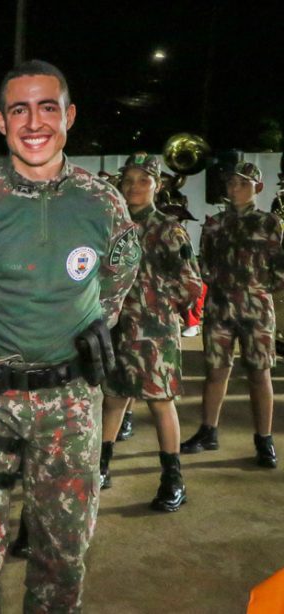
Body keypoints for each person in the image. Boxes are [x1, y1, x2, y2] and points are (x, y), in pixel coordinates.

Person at [0, 60, 139, 611]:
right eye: (19, 110)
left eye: (47, 108)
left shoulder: (103, 203)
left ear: (69, 116)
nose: (34, 122)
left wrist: (69, 332)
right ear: (1, 122)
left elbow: (116, 281)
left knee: (63, 553)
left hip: (71, 404)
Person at [99, 153, 202, 512]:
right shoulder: (113, 227)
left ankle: (173, 480)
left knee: (160, 403)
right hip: (117, 331)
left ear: (157, 185)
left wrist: (151, 300)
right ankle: (101, 467)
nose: (134, 187)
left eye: (143, 180)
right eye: (128, 180)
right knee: (113, 399)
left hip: (155, 334)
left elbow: (191, 284)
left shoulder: (168, 229)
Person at [181, 161, 283, 468]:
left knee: (259, 374)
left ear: (257, 187)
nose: (234, 188)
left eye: (242, 183)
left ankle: (264, 439)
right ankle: (208, 431)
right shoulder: (215, 224)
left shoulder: (270, 223)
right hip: (220, 307)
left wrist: (258, 289)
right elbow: (205, 264)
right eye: (230, 183)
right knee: (215, 371)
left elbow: (280, 267)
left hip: (256, 309)